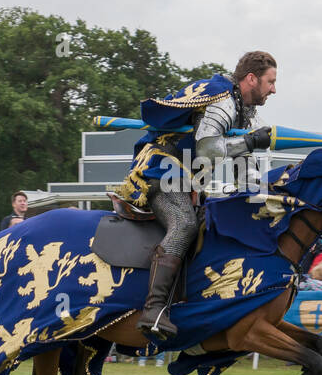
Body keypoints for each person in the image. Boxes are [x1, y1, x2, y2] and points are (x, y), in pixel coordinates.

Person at [111, 51, 277, 338]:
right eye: (271, 81)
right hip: (161, 167)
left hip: (188, 177)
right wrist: (250, 141)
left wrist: (263, 202)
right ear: (252, 79)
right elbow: (208, 150)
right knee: (184, 223)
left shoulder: (247, 113)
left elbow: (245, 171)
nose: (274, 89)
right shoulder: (221, 99)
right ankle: (154, 309)